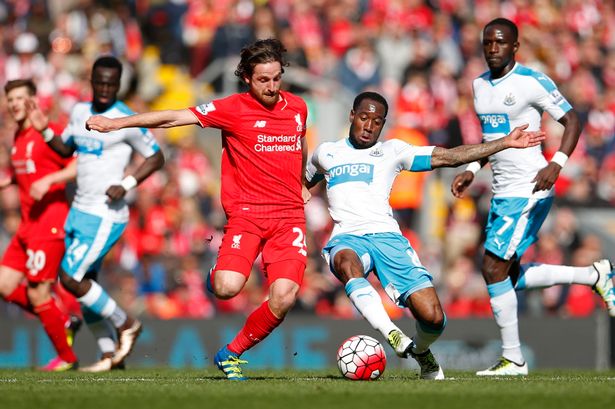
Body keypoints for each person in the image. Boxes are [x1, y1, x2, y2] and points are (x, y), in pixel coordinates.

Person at [86, 39, 308, 381]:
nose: (272, 87)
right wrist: (117, 124)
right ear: (247, 78)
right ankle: (215, 274)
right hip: (247, 215)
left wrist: (303, 184)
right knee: (226, 287)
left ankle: (231, 353)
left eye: (277, 78)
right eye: (264, 80)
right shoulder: (232, 108)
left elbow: (300, 143)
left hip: (289, 217)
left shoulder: (297, 107)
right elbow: (174, 118)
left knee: (284, 295)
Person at [305, 91, 546, 380]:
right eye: (364, 118)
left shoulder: (394, 151)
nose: (369, 126)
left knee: (433, 317)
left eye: (377, 121)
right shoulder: (326, 153)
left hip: (388, 239)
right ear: (352, 116)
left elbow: (448, 156)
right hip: (347, 238)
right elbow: (303, 180)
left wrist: (503, 143)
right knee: (346, 262)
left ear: (383, 124)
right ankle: (391, 333)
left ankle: (420, 350)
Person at [451, 18, 615, 376]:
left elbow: (572, 119)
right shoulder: (479, 86)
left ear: (515, 46)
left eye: (499, 43)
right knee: (505, 276)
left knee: (492, 268)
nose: (492, 49)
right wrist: (472, 169)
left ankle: (514, 360)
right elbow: (491, 138)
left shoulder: (531, 81)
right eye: (487, 43)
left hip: (530, 187)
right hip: (501, 190)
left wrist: (556, 163)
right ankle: (593, 276)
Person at [28, 55, 165, 372]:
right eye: (100, 82)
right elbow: (65, 149)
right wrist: (45, 131)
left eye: (111, 84)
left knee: (70, 277)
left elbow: (156, 158)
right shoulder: (78, 111)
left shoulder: (126, 118)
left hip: (106, 214)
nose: (104, 88)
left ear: (119, 85)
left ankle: (127, 324)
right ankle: (108, 356)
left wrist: (127, 183)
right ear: (91, 81)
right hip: (79, 210)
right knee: (85, 284)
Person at [0, 79, 79, 371]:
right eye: (11, 99)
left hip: (50, 223)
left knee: (37, 293)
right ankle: (63, 320)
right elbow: (29, 171)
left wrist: (50, 181)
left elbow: (78, 164)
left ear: (33, 99)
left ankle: (67, 358)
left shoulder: (49, 131)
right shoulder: (19, 137)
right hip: (26, 225)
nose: (14, 103)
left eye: (21, 97)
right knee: (4, 285)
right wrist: (9, 180)